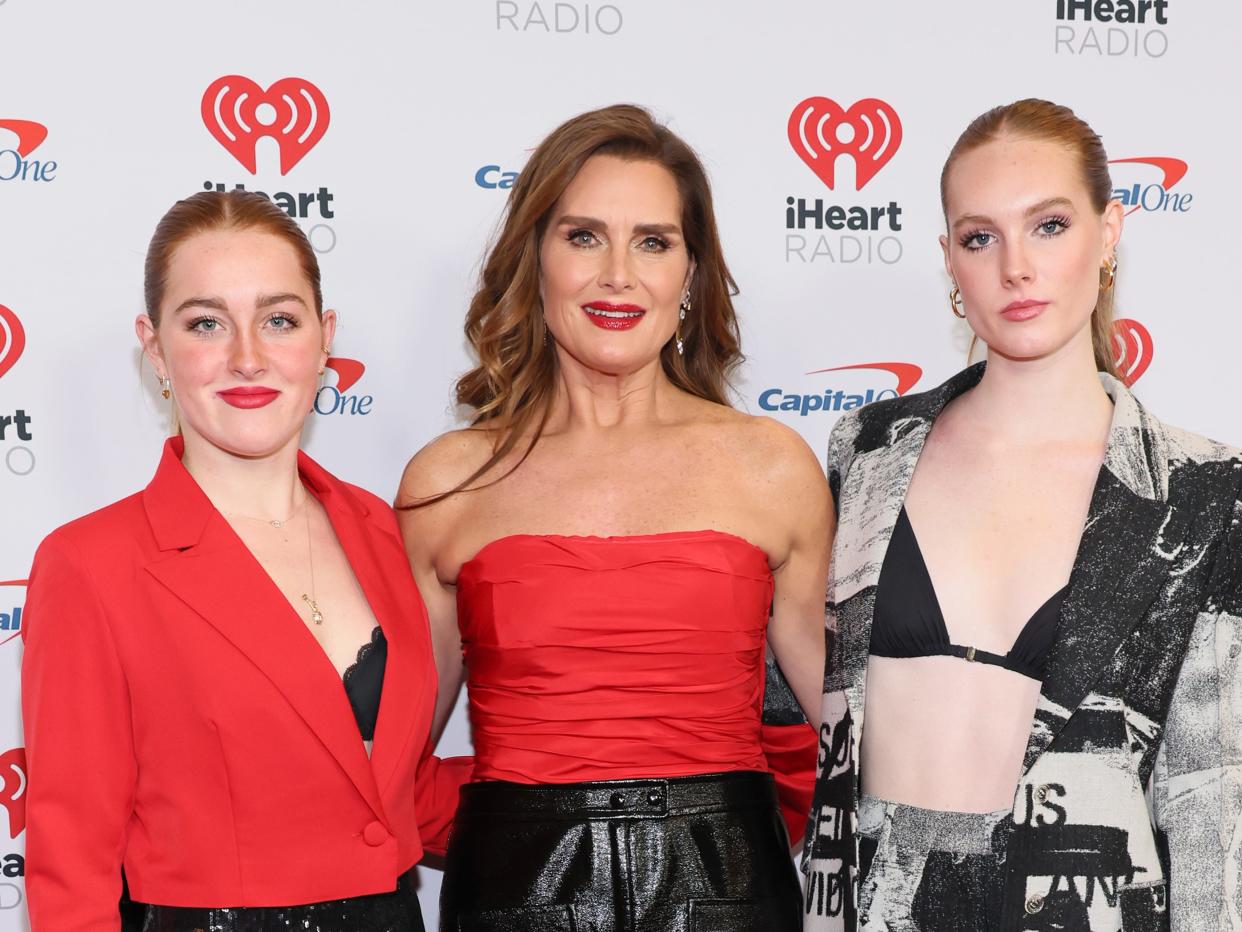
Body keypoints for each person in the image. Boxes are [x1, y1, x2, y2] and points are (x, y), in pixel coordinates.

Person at [802, 98, 1242, 931]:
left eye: (1048, 225)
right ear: (949, 260)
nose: (1015, 267)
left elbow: (1213, 792)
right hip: (869, 908)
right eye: (980, 238)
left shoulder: (1205, 491)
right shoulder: (864, 452)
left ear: (1109, 232)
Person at [398, 104, 831, 931]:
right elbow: (392, 755)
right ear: (536, 259)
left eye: (654, 241)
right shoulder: (448, 483)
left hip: (730, 891)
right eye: (584, 236)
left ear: (692, 274)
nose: (618, 276)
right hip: (514, 893)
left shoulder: (771, 466)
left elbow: (849, 733)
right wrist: (513, 818)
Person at [21, 190, 466, 932]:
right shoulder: (91, 565)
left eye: (279, 320)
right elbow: (72, 864)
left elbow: (402, 791)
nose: (248, 357)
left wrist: (585, 786)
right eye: (206, 324)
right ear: (156, 348)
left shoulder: (385, 532)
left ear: (324, 339)